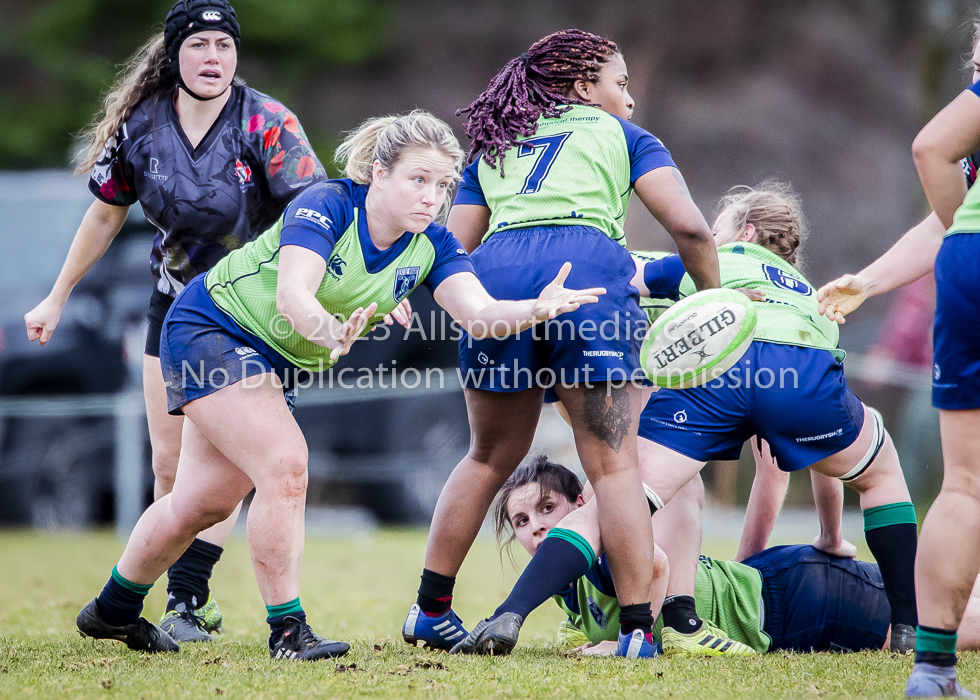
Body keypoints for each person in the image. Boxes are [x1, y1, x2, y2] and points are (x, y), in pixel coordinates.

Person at [73, 109, 605, 660]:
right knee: (285, 464)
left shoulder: (434, 246)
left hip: (268, 357)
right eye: (418, 179)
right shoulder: (326, 203)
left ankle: (112, 609)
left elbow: (480, 314)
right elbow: (293, 296)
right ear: (379, 172)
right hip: (210, 326)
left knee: (199, 504)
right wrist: (328, 330)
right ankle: (287, 631)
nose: (432, 197)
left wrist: (536, 309)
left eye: (443, 185)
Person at [470, 182, 920, 657]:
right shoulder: (810, 294)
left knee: (616, 499)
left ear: (743, 230)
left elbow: (621, 276)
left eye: (716, 227)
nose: (708, 235)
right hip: (798, 373)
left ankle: (511, 612)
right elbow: (819, 461)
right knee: (880, 473)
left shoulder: (709, 259)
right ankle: (909, 629)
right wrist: (830, 537)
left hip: (715, 376)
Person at [401, 29, 721, 660]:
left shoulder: (493, 141)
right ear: (583, 87)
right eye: (620, 84)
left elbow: (452, 245)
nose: (628, 99)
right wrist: (717, 298)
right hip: (589, 280)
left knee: (488, 456)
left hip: (494, 281)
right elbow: (688, 226)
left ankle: (430, 610)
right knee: (615, 466)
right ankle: (635, 632)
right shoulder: (628, 138)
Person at [23, 0, 326, 643]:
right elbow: (105, 214)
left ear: (237, 54)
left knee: (235, 469)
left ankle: (185, 602)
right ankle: (162, 604)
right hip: (176, 310)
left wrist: (361, 287)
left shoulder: (267, 122)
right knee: (171, 467)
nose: (212, 57)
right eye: (198, 45)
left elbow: (315, 213)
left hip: (256, 317)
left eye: (223, 45)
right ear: (174, 55)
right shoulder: (142, 126)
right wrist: (57, 295)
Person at [497, 455, 899, 655]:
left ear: (581, 504)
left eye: (547, 508)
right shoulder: (565, 583)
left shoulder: (603, 550)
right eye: (521, 520)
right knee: (938, 600)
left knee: (943, 624)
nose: (535, 526)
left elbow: (655, 565)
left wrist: (623, 645)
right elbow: (585, 628)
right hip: (778, 597)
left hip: (796, 599)